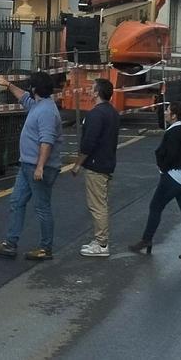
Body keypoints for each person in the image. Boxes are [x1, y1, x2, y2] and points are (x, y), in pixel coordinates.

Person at [0, 71, 64, 260]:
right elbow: (23, 98)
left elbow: (47, 141)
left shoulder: (46, 112)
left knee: (42, 207)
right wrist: (8, 84)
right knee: (17, 201)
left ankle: (45, 248)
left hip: (38, 168)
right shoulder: (39, 104)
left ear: (35, 89)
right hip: (27, 165)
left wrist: (40, 167)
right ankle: (10, 243)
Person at [129, 102, 181, 262]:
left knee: (156, 206)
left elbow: (169, 155)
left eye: (168, 111)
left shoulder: (172, 132)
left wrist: (163, 168)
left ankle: (147, 239)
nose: (165, 113)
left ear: (174, 116)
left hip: (174, 177)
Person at [73, 78, 119, 257]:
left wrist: (78, 164)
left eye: (92, 88)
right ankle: (100, 240)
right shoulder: (113, 113)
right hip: (107, 162)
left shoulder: (95, 114)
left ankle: (101, 244)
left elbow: (88, 143)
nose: (89, 91)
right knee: (102, 202)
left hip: (96, 165)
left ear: (97, 93)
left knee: (97, 205)